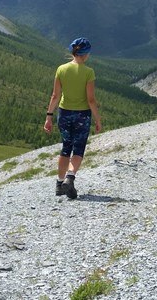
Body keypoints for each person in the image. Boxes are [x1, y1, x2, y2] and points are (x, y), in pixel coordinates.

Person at [43, 37, 102, 199]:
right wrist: (98, 119)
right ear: (86, 54)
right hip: (82, 115)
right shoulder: (88, 72)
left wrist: (49, 116)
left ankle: (59, 185)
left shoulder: (61, 69)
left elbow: (55, 95)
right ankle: (70, 177)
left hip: (64, 113)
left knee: (65, 147)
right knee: (78, 149)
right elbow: (91, 100)